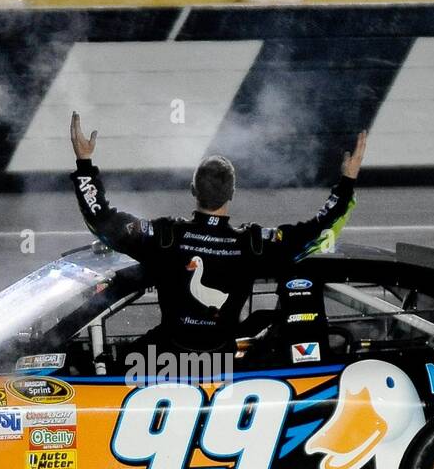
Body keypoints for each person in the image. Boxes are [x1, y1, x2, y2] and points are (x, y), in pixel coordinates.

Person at [69, 111, 366, 356]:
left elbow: (102, 221)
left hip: (163, 362)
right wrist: (346, 184)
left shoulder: (164, 236)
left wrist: (85, 164)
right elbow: (318, 233)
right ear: (232, 193)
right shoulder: (252, 245)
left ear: (192, 190)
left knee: (108, 363)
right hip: (222, 368)